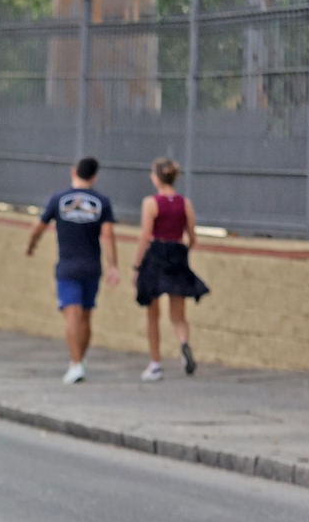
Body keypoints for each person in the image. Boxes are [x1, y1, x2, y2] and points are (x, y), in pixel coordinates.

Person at [25, 156, 120, 384]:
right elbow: (107, 235)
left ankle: (76, 364)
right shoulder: (102, 202)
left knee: (71, 315)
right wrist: (113, 265)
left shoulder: (59, 199)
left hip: (67, 265)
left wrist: (31, 245)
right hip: (91, 266)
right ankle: (80, 360)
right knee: (86, 316)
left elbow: (39, 227)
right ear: (95, 177)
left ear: (73, 172)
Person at [131, 157, 209, 381]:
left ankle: (155, 364)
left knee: (152, 312)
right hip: (177, 253)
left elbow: (145, 235)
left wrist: (137, 265)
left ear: (156, 177)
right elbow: (192, 235)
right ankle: (184, 344)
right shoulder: (185, 203)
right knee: (178, 314)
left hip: (157, 254)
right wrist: (186, 249)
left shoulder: (151, 203)